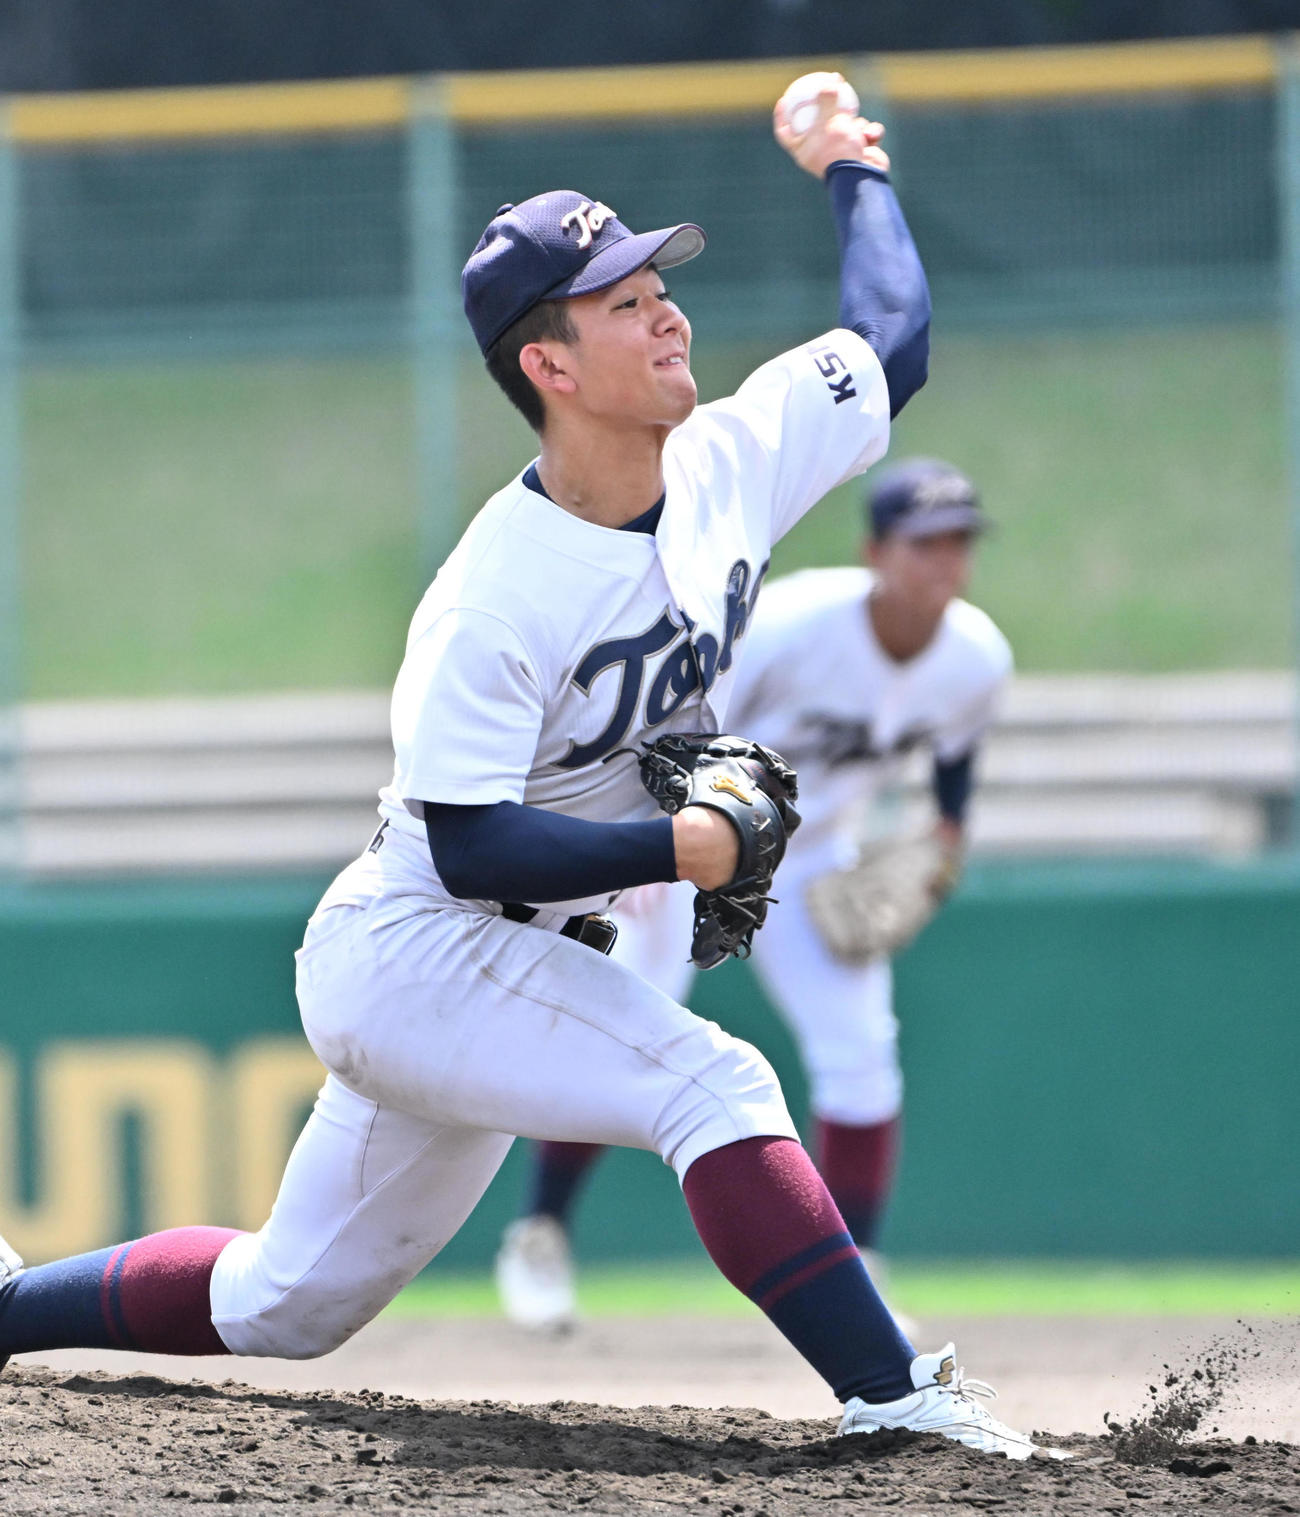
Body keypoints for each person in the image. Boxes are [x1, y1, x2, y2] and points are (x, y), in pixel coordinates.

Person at [0, 82, 1060, 1460]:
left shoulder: (731, 459)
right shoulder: (494, 595)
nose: (667, 310)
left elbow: (893, 339)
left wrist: (853, 165)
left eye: (656, 284)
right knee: (716, 1081)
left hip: (511, 960)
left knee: (288, 1302)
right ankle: (893, 1397)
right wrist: (684, 848)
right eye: (622, 301)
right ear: (548, 365)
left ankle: (9, 1305)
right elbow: (469, 846)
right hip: (418, 949)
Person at [496, 458, 1011, 1337]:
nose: (945, 560)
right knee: (626, 1026)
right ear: (876, 550)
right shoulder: (796, 624)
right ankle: (539, 1232)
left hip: (811, 858)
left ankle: (862, 1271)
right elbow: (676, 714)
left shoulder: (976, 657)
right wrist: (651, 847)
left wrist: (948, 833)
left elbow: (956, 756)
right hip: (695, 839)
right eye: (925, 542)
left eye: (959, 540)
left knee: (861, 1051)